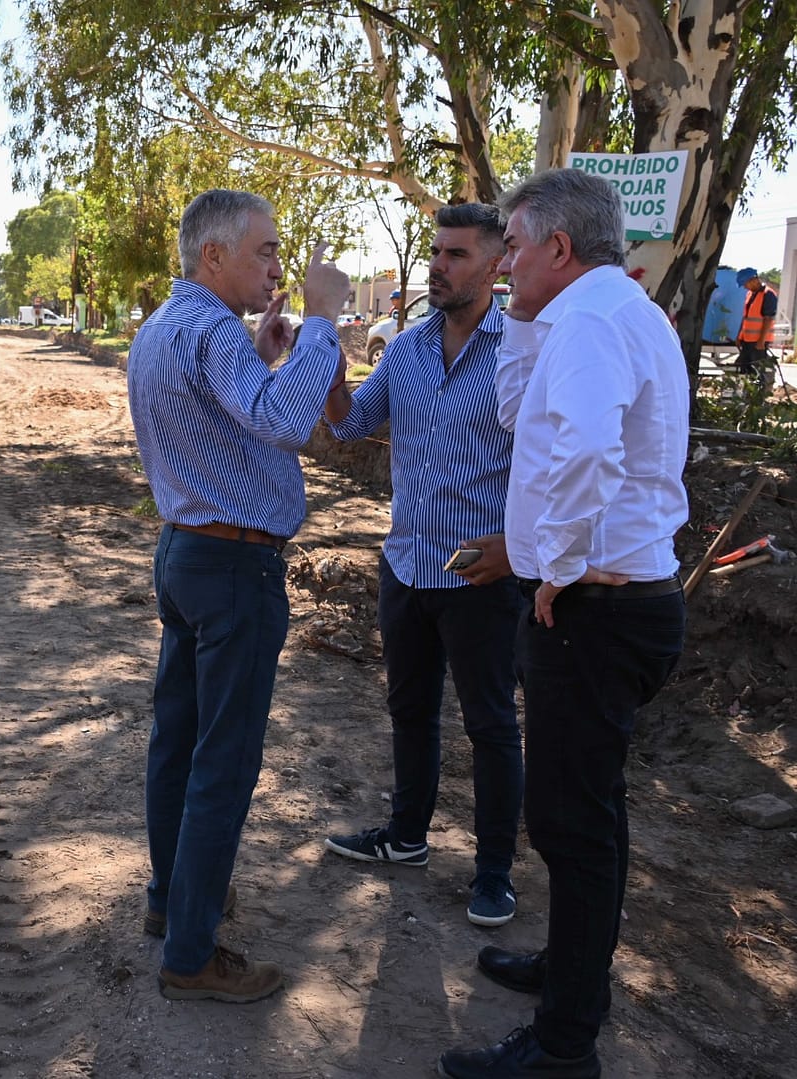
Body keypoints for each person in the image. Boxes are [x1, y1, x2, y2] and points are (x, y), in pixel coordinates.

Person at [438, 168, 687, 1079]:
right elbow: (519, 415)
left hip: (598, 607)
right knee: (592, 813)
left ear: (558, 246)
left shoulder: (588, 320)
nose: (502, 259)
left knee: (571, 823)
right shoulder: (600, 314)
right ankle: (570, 972)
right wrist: (518, 317)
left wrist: (557, 565)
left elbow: (586, 449)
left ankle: (562, 1043)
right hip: (620, 602)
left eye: (512, 243)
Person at [128, 188, 351, 1003]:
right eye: (264, 251)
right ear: (212, 256)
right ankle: (191, 954)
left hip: (188, 553)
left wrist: (261, 358)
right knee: (224, 761)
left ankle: (169, 903)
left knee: (178, 743)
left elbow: (225, 417)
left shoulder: (165, 325)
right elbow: (289, 423)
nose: (279, 267)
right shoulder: (212, 328)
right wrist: (323, 322)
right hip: (234, 569)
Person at [322, 203, 524, 928]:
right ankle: (406, 838)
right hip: (406, 565)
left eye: (457, 254)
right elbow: (348, 425)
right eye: (436, 252)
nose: (439, 266)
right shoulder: (405, 350)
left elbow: (550, 465)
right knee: (409, 711)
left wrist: (519, 548)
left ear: (497, 265)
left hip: (482, 576)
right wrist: (325, 359)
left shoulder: (522, 351)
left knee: (491, 724)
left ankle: (495, 872)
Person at [734, 266, 779, 378]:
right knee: (743, 367)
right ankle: (746, 393)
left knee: (759, 369)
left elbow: (768, 319)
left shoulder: (768, 295)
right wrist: (739, 336)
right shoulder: (750, 294)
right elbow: (746, 317)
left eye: (745, 284)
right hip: (747, 340)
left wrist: (761, 341)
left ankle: (761, 392)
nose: (745, 287)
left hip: (758, 342)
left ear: (753, 280)